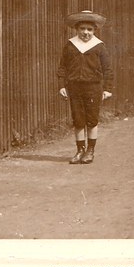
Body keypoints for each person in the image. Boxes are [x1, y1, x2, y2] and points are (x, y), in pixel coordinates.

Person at [57, 10, 114, 164]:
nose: (86, 32)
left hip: (93, 87)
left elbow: (107, 69)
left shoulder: (99, 46)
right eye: (82, 29)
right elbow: (63, 67)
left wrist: (107, 89)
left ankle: (90, 150)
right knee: (78, 119)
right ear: (77, 29)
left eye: (89, 29)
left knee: (92, 119)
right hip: (74, 87)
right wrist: (62, 85)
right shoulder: (70, 45)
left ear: (94, 30)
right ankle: (80, 150)